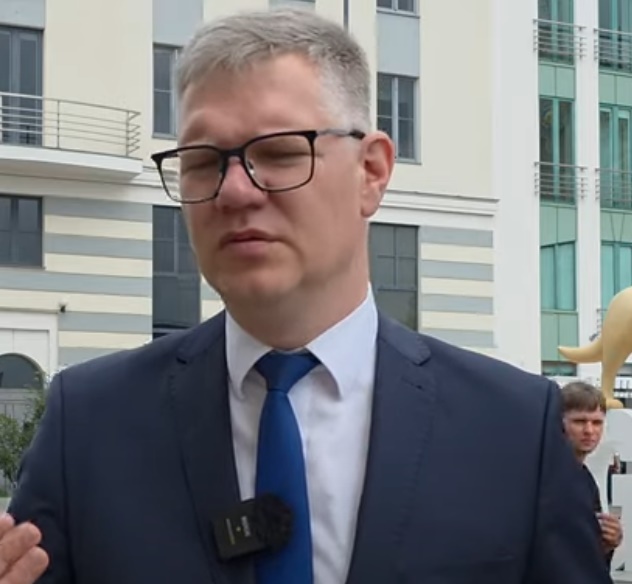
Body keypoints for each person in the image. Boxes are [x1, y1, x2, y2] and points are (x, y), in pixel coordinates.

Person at [1, 7, 613, 584]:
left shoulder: (512, 429)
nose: (234, 191)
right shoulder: (90, 423)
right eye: (203, 162)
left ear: (372, 172)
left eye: (279, 153)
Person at [560, 380, 623, 564]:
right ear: (559, 423)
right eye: (579, 421)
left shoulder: (585, 478)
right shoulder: (547, 477)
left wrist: (608, 542)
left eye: (597, 423)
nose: (589, 430)